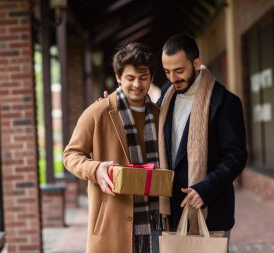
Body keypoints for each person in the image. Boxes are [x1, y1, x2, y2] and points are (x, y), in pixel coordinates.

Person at [63, 42, 165, 253]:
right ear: (119, 77)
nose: (137, 84)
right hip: (112, 223)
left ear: (152, 78)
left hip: (156, 221)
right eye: (130, 78)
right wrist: (96, 168)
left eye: (143, 77)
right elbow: (70, 155)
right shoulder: (98, 112)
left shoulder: (160, 115)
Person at [157, 34, 247, 239]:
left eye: (179, 71)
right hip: (171, 211)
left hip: (210, 209)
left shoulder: (226, 101)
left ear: (196, 63)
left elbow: (236, 157)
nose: (173, 79)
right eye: (167, 71)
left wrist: (205, 189)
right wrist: (112, 104)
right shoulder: (166, 95)